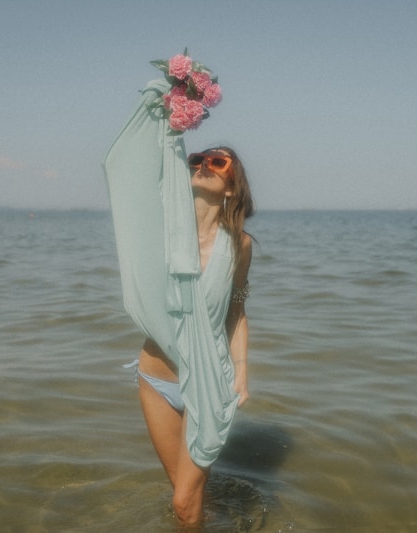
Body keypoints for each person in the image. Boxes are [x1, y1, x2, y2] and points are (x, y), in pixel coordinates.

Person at [135, 147, 255, 525]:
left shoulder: (240, 244)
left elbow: (236, 312)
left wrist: (241, 372)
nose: (203, 164)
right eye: (197, 159)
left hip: (208, 380)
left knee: (185, 503)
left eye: (217, 162)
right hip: (156, 377)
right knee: (185, 498)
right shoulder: (163, 232)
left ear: (232, 188)